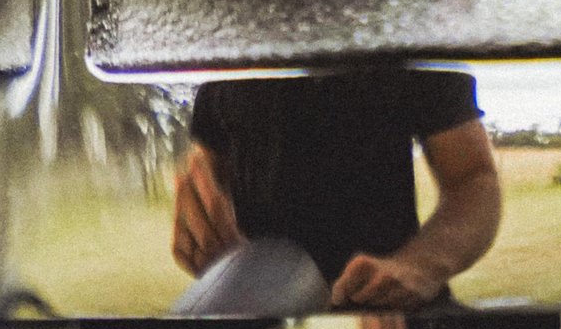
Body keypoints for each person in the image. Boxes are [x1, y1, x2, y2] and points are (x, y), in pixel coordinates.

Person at [170, 64, 502, 312]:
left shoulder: (406, 20)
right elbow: (206, 171)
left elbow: (474, 178)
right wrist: (200, 228)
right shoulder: (232, 33)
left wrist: (421, 264)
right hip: (261, 313)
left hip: (390, 317)